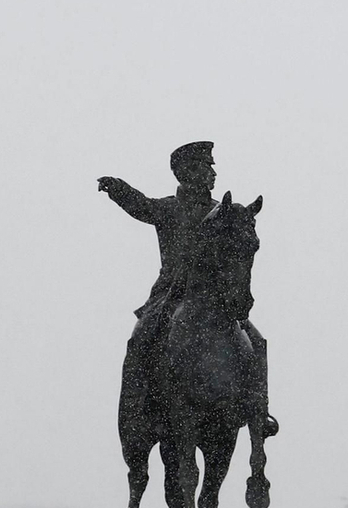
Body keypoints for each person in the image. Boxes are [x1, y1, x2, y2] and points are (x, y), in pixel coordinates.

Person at [98, 141, 275, 438]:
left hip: (217, 299)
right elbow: (141, 205)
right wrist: (118, 189)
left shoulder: (223, 211)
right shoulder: (169, 208)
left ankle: (259, 410)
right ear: (187, 172)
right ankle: (136, 403)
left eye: (212, 165)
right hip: (171, 294)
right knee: (140, 336)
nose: (213, 172)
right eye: (207, 166)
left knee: (256, 340)